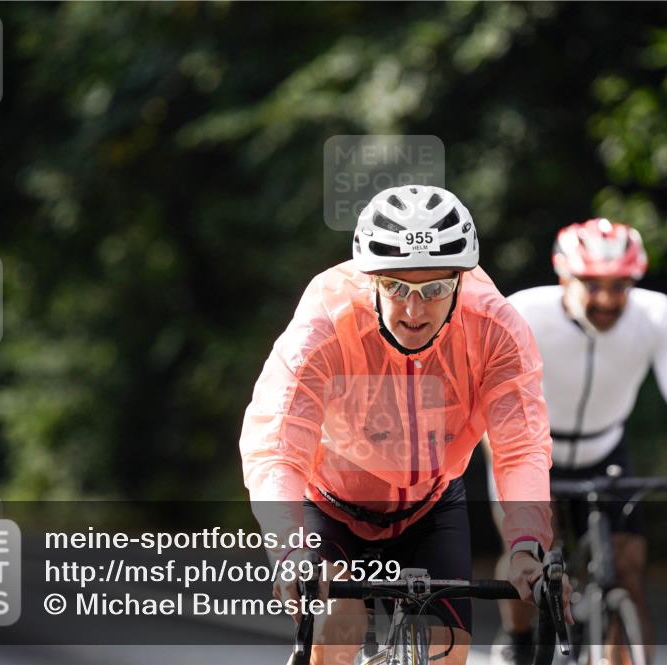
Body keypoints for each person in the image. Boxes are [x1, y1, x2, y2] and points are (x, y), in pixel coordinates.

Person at [240, 185, 572, 665]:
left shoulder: (496, 327)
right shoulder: (324, 325)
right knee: (340, 623)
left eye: (435, 289)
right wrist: (290, 549)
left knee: (450, 650)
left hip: (430, 505)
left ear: (460, 280)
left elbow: (520, 447)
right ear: (369, 278)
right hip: (331, 507)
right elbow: (276, 444)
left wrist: (526, 544)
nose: (414, 310)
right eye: (396, 286)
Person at [486, 218, 667, 665]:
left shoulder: (655, 315)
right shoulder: (523, 312)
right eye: (592, 285)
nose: (608, 299)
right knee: (526, 559)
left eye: (620, 286)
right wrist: (520, 483)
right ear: (563, 277)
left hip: (605, 449)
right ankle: (517, 641)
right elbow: (490, 404)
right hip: (527, 450)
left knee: (627, 571)